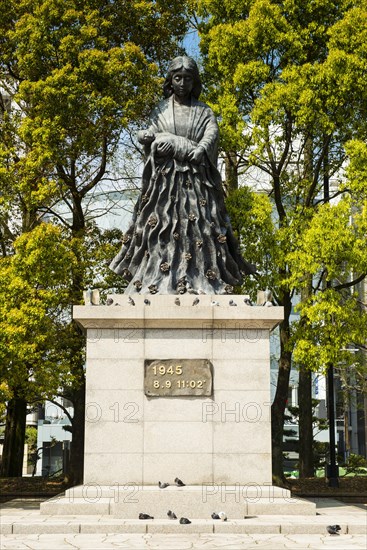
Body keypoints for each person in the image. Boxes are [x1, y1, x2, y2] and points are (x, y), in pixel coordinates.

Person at [110, 56, 255, 294]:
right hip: (165, 184)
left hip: (196, 182)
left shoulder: (204, 111)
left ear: (194, 81)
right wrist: (150, 139)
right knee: (162, 228)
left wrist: (199, 149)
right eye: (177, 77)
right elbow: (153, 133)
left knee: (200, 229)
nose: (182, 83)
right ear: (170, 80)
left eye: (188, 78)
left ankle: (202, 277)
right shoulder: (161, 110)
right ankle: (159, 276)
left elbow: (211, 134)